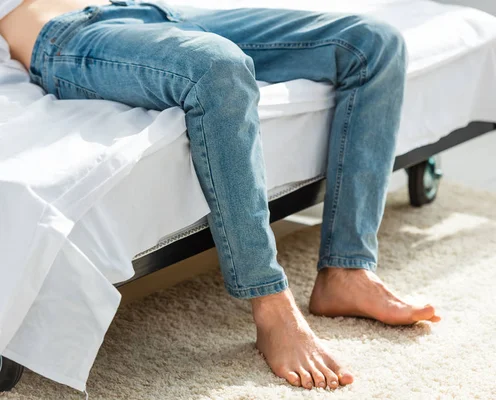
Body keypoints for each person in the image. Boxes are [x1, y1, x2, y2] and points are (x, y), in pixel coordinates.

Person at [0, 0, 440, 390]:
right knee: (218, 66)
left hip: (153, 12)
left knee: (372, 42)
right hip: (65, 36)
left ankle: (347, 271)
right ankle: (270, 304)